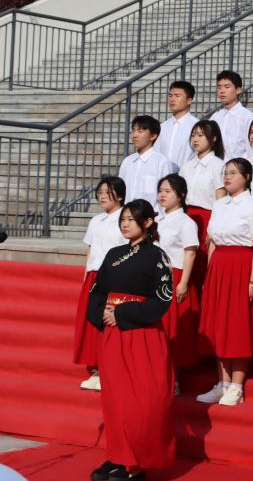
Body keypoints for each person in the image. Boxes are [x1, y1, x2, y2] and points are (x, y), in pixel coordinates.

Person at [86, 199, 174, 481]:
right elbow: (97, 291)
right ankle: (118, 455)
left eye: (131, 220)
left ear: (147, 223)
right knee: (116, 399)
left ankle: (137, 463)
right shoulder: (113, 254)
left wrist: (122, 314)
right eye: (122, 219)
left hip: (143, 335)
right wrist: (102, 314)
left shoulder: (158, 256)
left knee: (141, 402)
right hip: (113, 334)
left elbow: (162, 299)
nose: (125, 224)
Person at [197, 158, 253, 407]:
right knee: (218, 324)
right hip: (219, 267)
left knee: (238, 325)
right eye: (225, 173)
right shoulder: (219, 205)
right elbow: (212, 242)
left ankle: (237, 386)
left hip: (241, 265)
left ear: (246, 177)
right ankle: (223, 383)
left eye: (233, 173)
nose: (227, 177)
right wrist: (209, 275)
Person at [74, 176, 127, 392]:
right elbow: (91, 248)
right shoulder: (96, 220)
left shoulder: (125, 219)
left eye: (108, 192)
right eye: (100, 192)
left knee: (109, 322)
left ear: (120, 195)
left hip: (114, 276)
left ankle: (109, 369)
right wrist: (86, 273)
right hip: (94, 276)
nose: (102, 196)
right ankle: (96, 369)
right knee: (92, 323)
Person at [155, 175, 201, 383]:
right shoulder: (156, 220)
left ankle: (173, 377)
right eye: (160, 191)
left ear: (181, 195)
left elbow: (190, 253)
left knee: (173, 326)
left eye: (168, 191)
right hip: (154, 276)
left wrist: (183, 283)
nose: (162, 195)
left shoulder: (186, 222)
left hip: (175, 275)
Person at [179, 120, 226, 276]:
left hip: (207, 218)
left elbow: (220, 201)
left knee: (201, 264)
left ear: (213, 138)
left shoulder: (219, 165)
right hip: (186, 216)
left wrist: (213, 228)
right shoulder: (186, 166)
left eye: (200, 135)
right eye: (193, 135)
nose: (195, 139)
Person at [118, 115, 173, 213]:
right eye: (133, 130)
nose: (134, 135)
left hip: (152, 216)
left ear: (153, 136)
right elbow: (120, 191)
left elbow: (167, 195)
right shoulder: (127, 161)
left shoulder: (161, 162)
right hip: (127, 216)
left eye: (140, 131)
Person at [210, 70, 253, 161]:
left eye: (227, 87)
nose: (222, 91)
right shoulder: (215, 117)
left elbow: (252, 150)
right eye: (219, 87)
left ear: (238, 90)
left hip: (239, 167)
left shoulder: (248, 117)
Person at [154, 80, 198, 172]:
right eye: (170, 96)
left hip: (186, 176)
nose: (172, 99)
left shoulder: (196, 126)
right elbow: (156, 153)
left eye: (177, 96)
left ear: (189, 101)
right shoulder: (163, 127)